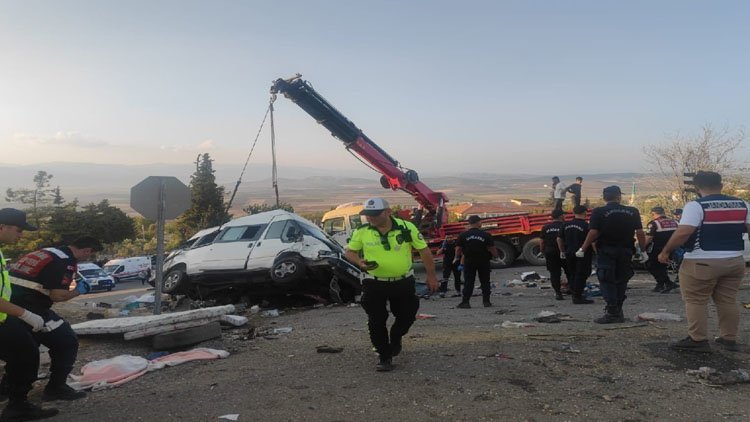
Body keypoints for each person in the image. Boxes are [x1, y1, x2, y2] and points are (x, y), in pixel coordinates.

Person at [658, 171, 750, 353]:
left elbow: (684, 232)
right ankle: (728, 338)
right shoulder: (743, 204)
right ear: (721, 185)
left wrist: (666, 251)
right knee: (728, 300)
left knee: (695, 300)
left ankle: (698, 339)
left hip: (701, 261)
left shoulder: (696, 206)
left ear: (697, 188)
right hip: (734, 261)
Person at [4, 236, 102, 402]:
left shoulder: (45, 252)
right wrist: (79, 291)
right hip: (31, 308)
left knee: (24, 348)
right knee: (66, 341)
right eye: (90, 255)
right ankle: (56, 388)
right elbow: (57, 295)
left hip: (10, 306)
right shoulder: (65, 261)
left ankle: (6, 389)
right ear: (87, 250)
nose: (88, 259)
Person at [345, 198, 438, 372]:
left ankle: (395, 337)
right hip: (373, 282)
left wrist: (431, 275)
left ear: (388, 212)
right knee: (376, 319)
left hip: (402, 282)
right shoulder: (362, 231)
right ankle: (384, 356)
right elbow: (350, 252)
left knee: (407, 315)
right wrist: (359, 261)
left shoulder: (406, 228)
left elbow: (423, 250)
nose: (370, 218)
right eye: (367, 215)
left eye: (375, 214)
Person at [0, 208, 59, 421]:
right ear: (2, 227)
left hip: (3, 318)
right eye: (18, 230)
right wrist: (26, 314)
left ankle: (16, 403)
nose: (21, 235)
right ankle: (16, 405)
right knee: (25, 351)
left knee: (26, 351)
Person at [577, 186, 646, 324]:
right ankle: (618, 310)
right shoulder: (632, 211)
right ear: (619, 197)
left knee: (607, 280)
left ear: (604, 197)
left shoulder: (599, 211)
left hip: (607, 250)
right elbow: (639, 232)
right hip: (626, 250)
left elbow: (594, 232)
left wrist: (583, 248)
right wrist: (643, 250)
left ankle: (612, 312)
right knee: (621, 280)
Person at [455, 215, 499, 308]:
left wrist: (456, 258)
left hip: (469, 261)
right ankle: (486, 302)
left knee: (469, 281)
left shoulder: (463, 235)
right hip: (483, 261)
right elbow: (491, 248)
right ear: (478, 222)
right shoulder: (486, 235)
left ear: (469, 223)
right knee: (485, 281)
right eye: (480, 222)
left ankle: (465, 302)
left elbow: (458, 249)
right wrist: (496, 257)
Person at [558, 205, 594, 304]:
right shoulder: (586, 226)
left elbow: (559, 238)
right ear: (585, 213)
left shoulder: (565, 225)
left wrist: (562, 251)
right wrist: (596, 252)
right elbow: (592, 240)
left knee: (573, 273)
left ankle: (574, 292)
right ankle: (578, 296)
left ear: (573, 213)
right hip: (583, 253)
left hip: (569, 252)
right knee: (582, 274)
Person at [644, 206, 678, 293]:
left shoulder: (654, 224)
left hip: (657, 249)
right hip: (672, 248)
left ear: (653, 214)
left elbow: (649, 238)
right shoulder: (674, 222)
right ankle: (661, 284)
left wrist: (641, 247)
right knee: (662, 267)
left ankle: (667, 282)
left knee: (650, 265)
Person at [540, 209, 566, 300]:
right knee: (570, 271)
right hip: (564, 252)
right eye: (564, 215)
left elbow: (542, 241)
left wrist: (542, 251)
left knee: (554, 274)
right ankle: (573, 290)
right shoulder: (564, 226)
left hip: (550, 252)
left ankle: (558, 293)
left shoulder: (546, 227)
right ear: (561, 216)